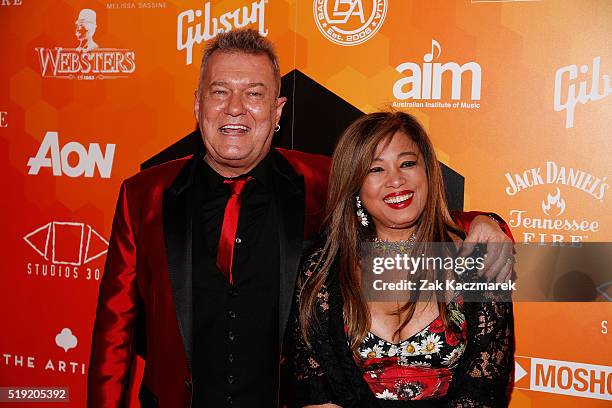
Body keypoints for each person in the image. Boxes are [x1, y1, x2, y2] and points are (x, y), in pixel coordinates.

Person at [88, 29, 512, 408]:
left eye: (254, 93)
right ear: (199, 105)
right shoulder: (143, 194)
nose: (236, 108)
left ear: (277, 111)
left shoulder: (320, 181)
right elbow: (115, 331)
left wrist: (486, 221)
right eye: (220, 92)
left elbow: (400, 199)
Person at [288, 112, 515, 407]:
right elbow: (315, 391)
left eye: (407, 163)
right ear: (355, 186)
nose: (396, 180)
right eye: (375, 169)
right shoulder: (321, 269)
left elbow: (484, 388)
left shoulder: (478, 260)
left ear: (428, 173)